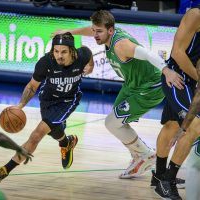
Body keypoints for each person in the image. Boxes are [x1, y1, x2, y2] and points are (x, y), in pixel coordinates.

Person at [52, 10, 183, 179]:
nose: (95, 35)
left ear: (111, 31)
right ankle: (139, 156)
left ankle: (146, 155)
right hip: (132, 84)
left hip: (149, 87)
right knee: (116, 123)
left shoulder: (121, 45)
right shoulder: (106, 34)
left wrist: (166, 71)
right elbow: (91, 30)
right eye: (94, 30)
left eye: (99, 31)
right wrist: (70, 32)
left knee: (112, 123)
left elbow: (148, 54)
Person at [0, 32, 94, 184]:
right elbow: (32, 86)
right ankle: (66, 143)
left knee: (37, 134)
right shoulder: (45, 63)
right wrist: (20, 106)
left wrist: (91, 66)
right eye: (56, 51)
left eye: (63, 52)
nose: (59, 55)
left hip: (67, 101)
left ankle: (4, 171)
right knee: (53, 130)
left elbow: (89, 54)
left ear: (72, 51)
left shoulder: (82, 56)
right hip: (47, 99)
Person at [153, 6, 200, 200]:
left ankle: (158, 176)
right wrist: (198, 78)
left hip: (191, 81)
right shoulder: (195, 15)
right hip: (177, 78)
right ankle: (168, 180)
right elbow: (178, 52)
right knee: (196, 125)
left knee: (171, 126)